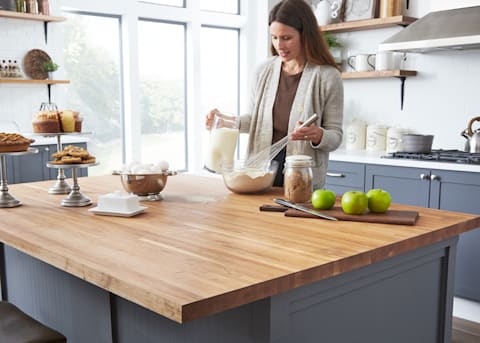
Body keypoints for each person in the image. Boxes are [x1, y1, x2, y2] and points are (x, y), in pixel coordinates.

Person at [206, 0, 343, 189]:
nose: (280, 45)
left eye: (286, 38)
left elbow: (335, 136)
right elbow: (255, 120)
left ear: (305, 35)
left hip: (300, 175)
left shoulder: (328, 77)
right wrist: (227, 121)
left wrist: (318, 135)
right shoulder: (263, 71)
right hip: (260, 171)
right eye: (274, 37)